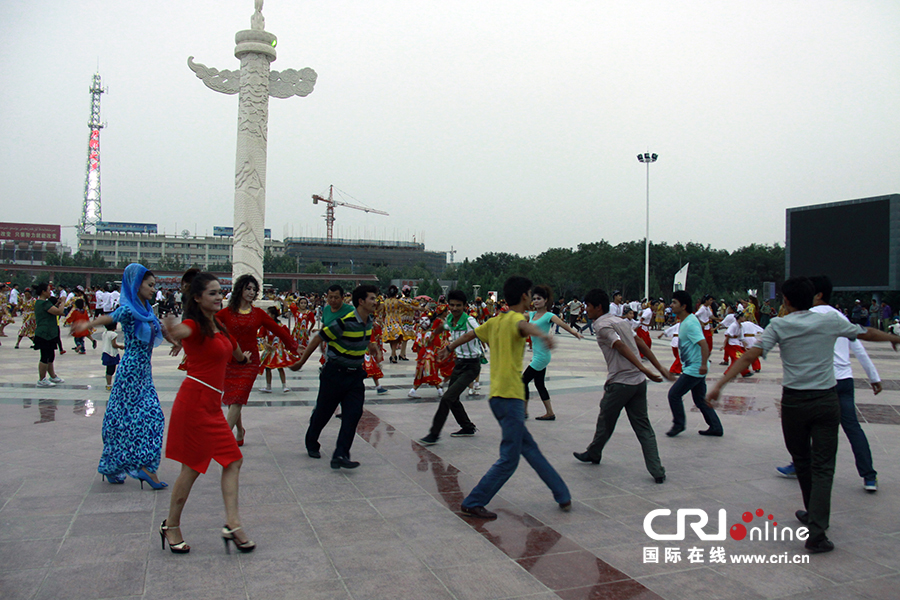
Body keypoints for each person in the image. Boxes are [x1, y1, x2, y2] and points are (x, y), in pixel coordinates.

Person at [707, 276, 900, 554]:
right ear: (812, 298)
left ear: (786, 300)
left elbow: (750, 356)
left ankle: (816, 521)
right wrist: (894, 337)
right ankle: (816, 527)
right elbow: (866, 333)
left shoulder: (779, 325)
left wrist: (719, 385)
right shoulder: (831, 321)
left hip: (795, 403)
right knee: (823, 467)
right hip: (825, 400)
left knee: (803, 461)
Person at [438, 276, 571, 519]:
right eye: (530, 295)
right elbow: (524, 327)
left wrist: (448, 348)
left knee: (529, 449)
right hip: (510, 397)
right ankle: (474, 501)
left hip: (499, 398)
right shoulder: (516, 319)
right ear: (524, 297)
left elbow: (470, 336)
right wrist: (542, 336)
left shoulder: (494, 321)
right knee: (510, 458)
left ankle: (562, 493)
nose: (531, 298)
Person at [160, 272, 256, 555]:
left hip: (212, 406)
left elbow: (233, 351)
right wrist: (170, 328)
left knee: (232, 461)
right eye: (212, 293)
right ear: (198, 297)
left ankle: (232, 523)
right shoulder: (193, 325)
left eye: (219, 292)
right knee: (191, 469)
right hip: (193, 404)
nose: (218, 297)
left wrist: (243, 358)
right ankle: (172, 525)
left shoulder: (218, 325)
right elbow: (178, 332)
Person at [776, 276, 881, 492]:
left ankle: (799, 465)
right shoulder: (840, 317)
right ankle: (869, 476)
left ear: (817, 294)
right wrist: (874, 377)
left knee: (808, 428)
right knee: (852, 427)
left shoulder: (807, 317)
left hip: (820, 383)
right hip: (844, 381)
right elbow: (859, 348)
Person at [74, 264, 168, 488]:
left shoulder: (146, 309)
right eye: (150, 285)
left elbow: (158, 330)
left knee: (145, 418)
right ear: (136, 285)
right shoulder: (128, 309)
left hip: (144, 373)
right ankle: (135, 468)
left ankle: (129, 466)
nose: (153, 289)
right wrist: (87, 324)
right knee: (129, 419)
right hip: (130, 373)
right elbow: (109, 318)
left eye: (154, 285)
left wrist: (176, 340)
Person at [573, 288, 672, 482]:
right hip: (638, 383)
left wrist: (646, 369)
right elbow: (641, 343)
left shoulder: (602, 326)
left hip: (620, 383)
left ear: (598, 307)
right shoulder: (621, 321)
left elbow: (619, 345)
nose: (586, 310)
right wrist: (656, 367)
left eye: (588, 306)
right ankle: (657, 470)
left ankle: (593, 453)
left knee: (605, 422)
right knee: (643, 427)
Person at [290, 285, 381, 469]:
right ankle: (311, 440)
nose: (375, 302)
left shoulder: (369, 320)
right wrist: (301, 362)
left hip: (355, 376)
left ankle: (340, 454)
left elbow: (366, 338)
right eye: (372, 298)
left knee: (353, 414)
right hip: (334, 374)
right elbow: (318, 337)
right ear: (361, 301)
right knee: (323, 412)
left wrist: (373, 348)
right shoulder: (344, 322)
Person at [216, 274, 298, 446]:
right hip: (229, 361)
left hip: (250, 362)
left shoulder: (258, 314)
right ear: (240, 290)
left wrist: (294, 347)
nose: (251, 292)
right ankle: (240, 430)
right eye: (248, 288)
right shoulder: (225, 313)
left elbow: (279, 330)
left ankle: (223, 440)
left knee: (238, 398)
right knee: (232, 398)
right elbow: (210, 325)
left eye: (254, 289)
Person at [418, 290, 482, 445]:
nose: (454, 308)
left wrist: (449, 348)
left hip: (472, 365)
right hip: (459, 363)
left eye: (458, 305)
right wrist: (433, 335)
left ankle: (434, 434)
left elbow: (475, 333)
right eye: (452, 305)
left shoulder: (470, 321)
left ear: (465, 306)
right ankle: (467, 427)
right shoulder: (450, 319)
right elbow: (443, 327)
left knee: (447, 398)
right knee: (452, 399)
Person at [666, 290, 723, 437]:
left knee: (674, 394)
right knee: (699, 399)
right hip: (695, 367)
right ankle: (716, 427)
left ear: (683, 306)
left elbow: (704, 344)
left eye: (674, 303)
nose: (671, 305)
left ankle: (679, 424)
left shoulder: (690, 323)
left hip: (695, 369)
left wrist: (703, 365)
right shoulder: (686, 321)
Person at [523, 285, 583, 420]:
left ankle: (524, 411)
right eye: (534, 299)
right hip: (537, 355)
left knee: (523, 381)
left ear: (545, 300)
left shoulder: (549, 316)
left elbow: (563, 325)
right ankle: (550, 413)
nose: (536, 301)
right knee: (539, 384)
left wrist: (575, 333)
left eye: (539, 299)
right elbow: (518, 314)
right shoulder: (532, 314)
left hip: (542, 356)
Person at [32, 283, 66, 387]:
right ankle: (41, 379)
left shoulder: (43, 303)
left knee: (51, 355)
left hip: (50, 333)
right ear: (43, 292)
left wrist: (58, 303)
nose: (50, 292)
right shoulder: (43, 304)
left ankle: (53, 376)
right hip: (44, 333)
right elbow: (60, 312)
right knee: (45, 356)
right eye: (48, 290)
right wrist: (63, 302)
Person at [258, 306, 296, 394]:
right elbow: (260, 336)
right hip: (269, 350)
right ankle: (268, 386)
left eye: (268, 313)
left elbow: (287, 337)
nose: (267, 315)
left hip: (278, 350)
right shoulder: (266, 326)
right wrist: (265, 343)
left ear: (273, 315)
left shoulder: (281, 326)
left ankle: (284, 385)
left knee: (280, 367)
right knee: (267, 368)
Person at [100, 322, 122, 391]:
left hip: (105, 352)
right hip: (112, 353)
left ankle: (108, 384)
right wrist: (121, 346)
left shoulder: (104, 333)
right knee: (112, 370)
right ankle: (110, 384)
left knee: (108, 370)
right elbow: (114, 345)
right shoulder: (113, 334)